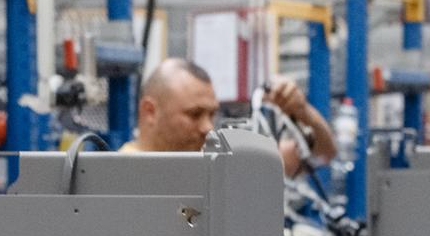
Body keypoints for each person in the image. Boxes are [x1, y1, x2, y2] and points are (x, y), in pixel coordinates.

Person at [123, 57, 335, 178]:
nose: (207, 127)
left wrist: (302, 111)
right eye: (194, 114)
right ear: (150, 111)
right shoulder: (120, 178)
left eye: (211, 114)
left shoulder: (222, 168)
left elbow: (322, 152)